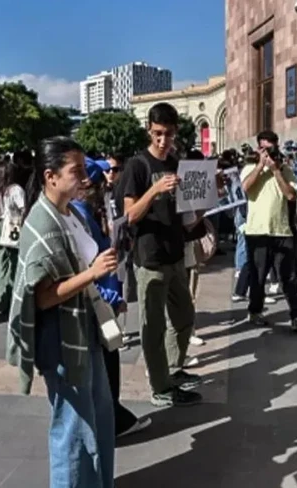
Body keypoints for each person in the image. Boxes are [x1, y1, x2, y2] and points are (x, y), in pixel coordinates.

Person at [7, 137, 118, 488]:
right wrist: (92, 274)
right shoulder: (42, 222)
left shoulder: (71, 212)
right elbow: (40, 298)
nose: (85, 177)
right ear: (50, 176)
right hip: (61, 339)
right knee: (72, 432)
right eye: (77, 171)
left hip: (84, 329)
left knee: (98, 421)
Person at [121, 103, 203, 407]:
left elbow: (188, 215)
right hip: (150, 257)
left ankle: (171, 369)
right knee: (152, 326)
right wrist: (154, 191)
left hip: (175, 253)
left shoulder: (177, 161)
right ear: (149, 130)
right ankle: (160, 387)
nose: (162, 140)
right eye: (157, 134)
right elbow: (129, 215)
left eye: (168, 134)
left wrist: (205, 198)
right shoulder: (137, 165)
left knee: (184, 317)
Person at [70, 163, 152, 439]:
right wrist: (109, 296)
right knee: (105, 363)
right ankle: (111, 420)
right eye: (98, 181)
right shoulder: (80, 215)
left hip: (103, 298)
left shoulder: (87, 213)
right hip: (97, 301)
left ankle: (111, 416)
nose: (107, 184)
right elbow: (86, 265)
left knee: (108, 359)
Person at [241, 130, 297, 332]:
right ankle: (255, 311)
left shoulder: (285, 169)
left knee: (289, 277)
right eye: (263, 149)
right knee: (258, 276)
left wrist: (276, 170)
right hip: (257, 231)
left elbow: (290, 195)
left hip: (282, 231)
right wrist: (261, 165)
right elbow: (245, 187)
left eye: (271, 148)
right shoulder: (250, 167)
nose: (267, 153)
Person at [0, 159, 28, 315]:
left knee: (1, 265)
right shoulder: (15, 190)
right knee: (14, 263)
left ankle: (2, 297)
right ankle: (13, 298)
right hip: (13, 227)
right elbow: (23, 208)